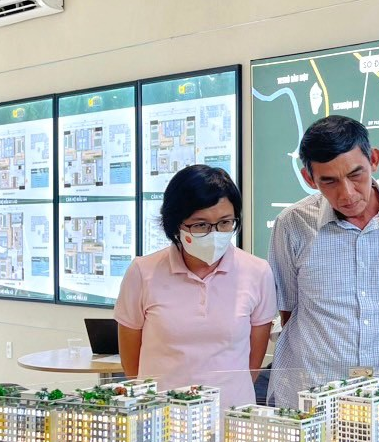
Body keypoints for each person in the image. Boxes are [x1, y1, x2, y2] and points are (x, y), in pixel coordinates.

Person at [266, 116, 379, 407]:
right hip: (313, 391)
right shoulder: (293, 224)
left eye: (355, 175)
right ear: (309, 178)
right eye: (329, 181)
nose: (347, 194)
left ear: (374, 160)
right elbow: (288, 309)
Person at [115, 165, 276, 408]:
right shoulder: (143, 272)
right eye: (200, 225)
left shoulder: (257, 272)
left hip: (232, 415)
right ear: (176, 224)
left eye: (225, 223)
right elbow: (131, 363)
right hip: (162, 415)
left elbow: (253, 362)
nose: (214, 234)